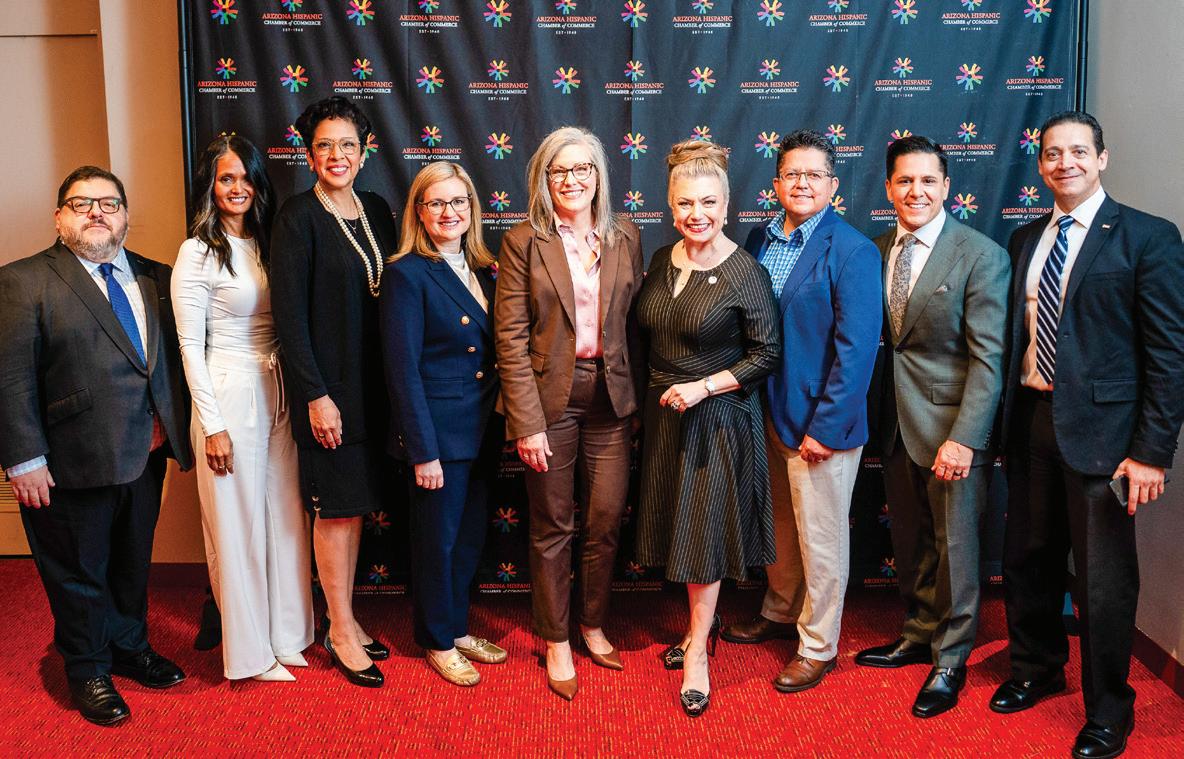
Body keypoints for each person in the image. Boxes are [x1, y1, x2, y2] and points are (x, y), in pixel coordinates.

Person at [993, 111, 1184, 759]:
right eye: (1053, 153)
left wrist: (1152, 451)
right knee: (1027, 558)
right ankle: (1037, 669)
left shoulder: (1148, 237)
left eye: (1078, 151)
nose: (1065, 162)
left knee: (1102, 580)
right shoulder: (1025, 239)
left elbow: (1169, 353)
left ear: (1102, 158)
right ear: (1040, 164)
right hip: (1030, 421)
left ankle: (1108, 711)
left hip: (1107, 438)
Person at [0, 166, 194, 725]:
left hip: (145, 454)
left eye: (109, 203)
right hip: (68, 460)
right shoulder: (23, 281)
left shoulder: (158, 276)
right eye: (81, 203)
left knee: (131, 563)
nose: (96, 213)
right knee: (77, 572)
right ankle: (87, 667)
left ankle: (129, 647)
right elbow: (9, 378)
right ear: (59, 216)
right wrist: (23, 459)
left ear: (125, 215)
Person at [855, 135, 1010, 718]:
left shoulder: (980, 254)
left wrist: (965, 439)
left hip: (952, 428)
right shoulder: (875, 250)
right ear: (888, 188)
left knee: (957, 550)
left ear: (947, 187)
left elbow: (989, 359)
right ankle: (919, 633)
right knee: (912, 540)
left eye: (927, 181)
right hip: (895, 423)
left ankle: (951, 658)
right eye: (904, 181)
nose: (915, 191)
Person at [723, 130, 881, 693]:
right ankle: (780, 609)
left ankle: (818, 645)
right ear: (776, 183)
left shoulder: (853, 250)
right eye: (792, 173)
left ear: (834, 185)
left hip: (819, 421)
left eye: (815, 174)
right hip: (764, 410)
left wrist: (827, 428)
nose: (803, 183)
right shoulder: (759, 238)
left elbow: (857, 351)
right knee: (781, 526)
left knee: (821, 537)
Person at [494, 126, 644, 701]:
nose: (572, 179)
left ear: (599, 176)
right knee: (553, 526)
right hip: (549, 401)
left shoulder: (625, 234)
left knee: (604, 521)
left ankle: (592, 623)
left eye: (583, 168)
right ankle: (556, 638)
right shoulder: (523, 241)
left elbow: (634, 323)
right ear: (544, 178)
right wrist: (527, 423)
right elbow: (510, 337)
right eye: (560, 170)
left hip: (612, 400)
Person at [634, 139, 781, 717]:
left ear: (727, 204)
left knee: (702, 534)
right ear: (671, 206)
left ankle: (697, 653)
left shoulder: (745, 272)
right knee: (678, 527)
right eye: (685, 203)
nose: (697, 214)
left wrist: (704, 386)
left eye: (708, 202)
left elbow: (766, 354)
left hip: (716, 419)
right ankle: (701, 627)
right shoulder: (660, 259)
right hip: (664, 417)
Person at [172, 134, 313, 682]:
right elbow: (190, 346)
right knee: (238, 526)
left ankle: (288, 635)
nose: (238, 188)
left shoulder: (268, 241)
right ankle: (252, 654)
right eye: (226, 178)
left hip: (277, 388)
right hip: (228, 392)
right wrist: (212, 425)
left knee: (285, 517)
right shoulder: (197, 252)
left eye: (246, 177)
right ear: (209, 185)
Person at [270, 96, 396, 688]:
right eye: (324, 145)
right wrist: (316, 396)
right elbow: (290, 321)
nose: (337, 155)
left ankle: (347, 615)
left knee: (357, 507)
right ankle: (339, 628)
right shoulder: (297, 217)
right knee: (337, 511)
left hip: (373, 391)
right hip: (329, 395)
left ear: (364, 152)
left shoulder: (377, 209)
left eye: (348, 144)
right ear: (309, 155)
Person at [381, 161, 505, 687]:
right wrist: (422, 450)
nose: (448, 212)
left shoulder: (486, 268)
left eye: (458, 201)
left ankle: (456, 628)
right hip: (438, 433)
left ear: (472, 208)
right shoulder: (407, 273)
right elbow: (402, 370)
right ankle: (436, 639)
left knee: (468, 538)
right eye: (436, 203)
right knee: (438, 541)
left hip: (482, 426)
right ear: (419, 211)